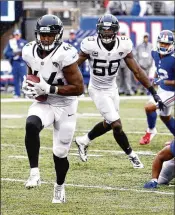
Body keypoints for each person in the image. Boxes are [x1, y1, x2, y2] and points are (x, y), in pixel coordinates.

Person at [75, 14, 164, 168]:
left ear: (116, 31)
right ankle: (132, 156)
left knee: (109, 123)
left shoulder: (123, 45)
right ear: (98, 30)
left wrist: (152, 90)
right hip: (97, 89)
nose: (107, 33)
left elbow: (136, 70)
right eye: (104, 30)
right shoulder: (90, 45)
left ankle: (83, 141)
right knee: (116, 124)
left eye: (110, 30)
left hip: (112, 88)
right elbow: (74, 66)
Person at [22, 14, 84, 203]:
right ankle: (34, 172)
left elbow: (80, 89)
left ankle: (59, 186)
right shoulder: (29, 51)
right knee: (31, 125)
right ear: (37, 34)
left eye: (50, 35)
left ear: (58, 35)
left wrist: (49, 88)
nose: (46, 39)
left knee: (60, 153)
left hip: (66, 105)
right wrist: (29, 88)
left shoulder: (65, 53)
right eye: (43, 35)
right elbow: (32, 75)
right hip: (45, 102)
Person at [140, 30, 175, 145]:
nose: (163, 46)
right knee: (165, 117)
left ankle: (151, 131)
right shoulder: (155, 53)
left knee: (149, 107)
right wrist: (154, 81)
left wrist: (163, 81)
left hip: (172, 92)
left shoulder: (173, 58)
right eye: (161, 43)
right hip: (162, 89)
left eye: (166, 44)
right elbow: (158, 68)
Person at [3, 29, 28, 98]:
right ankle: (17, 93)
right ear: (14, 35)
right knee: (16, 78)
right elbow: (6, 53)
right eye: (15, 35)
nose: (17, 36)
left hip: (22, 62)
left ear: (20, 35)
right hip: (15, 63)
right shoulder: (11, 42)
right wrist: (13, 54)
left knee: (24, 79)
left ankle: (25, 93)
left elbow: (28, 52)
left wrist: (21, 54)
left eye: (18, 34)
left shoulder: (24, 42)